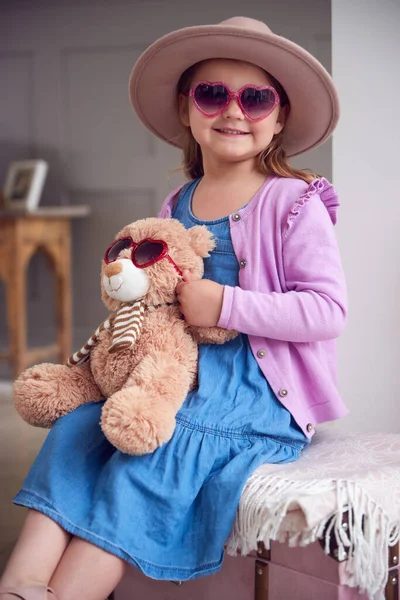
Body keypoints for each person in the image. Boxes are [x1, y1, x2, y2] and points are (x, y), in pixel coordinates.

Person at [0, 16, 348, 600]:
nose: (234, 111)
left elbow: (327, 310)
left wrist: (225, 303)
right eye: (213, 94)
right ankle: (21, 583)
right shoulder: (177, 201)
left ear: (280, 116)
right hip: (172, 374)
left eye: (256, 98)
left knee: (153, 448)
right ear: (188, 109)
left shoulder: (293, 202)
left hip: (252, 393)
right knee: (80, 429)